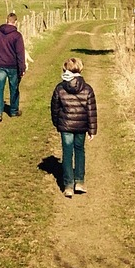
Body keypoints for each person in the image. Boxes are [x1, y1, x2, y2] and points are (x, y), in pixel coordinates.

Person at [50, 56, 97, 198]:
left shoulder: (59, 88)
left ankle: (68, 185)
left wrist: (57, 123)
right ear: (80, 69)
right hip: (81, 127)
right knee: (80, 151)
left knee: (67, 153)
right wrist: (92, 130)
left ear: (65, 69)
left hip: (65, 126)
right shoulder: (88, 89)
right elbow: (92, 111)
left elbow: (54, 108)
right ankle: (80, 182)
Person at [0, 11, 26, 120]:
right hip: (13, 66)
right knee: (14, 88)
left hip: (0, 65)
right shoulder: (17, 36)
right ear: (15, 22)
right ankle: (13, 111)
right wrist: (22, 68)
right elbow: (20, 54)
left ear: (6, 20)